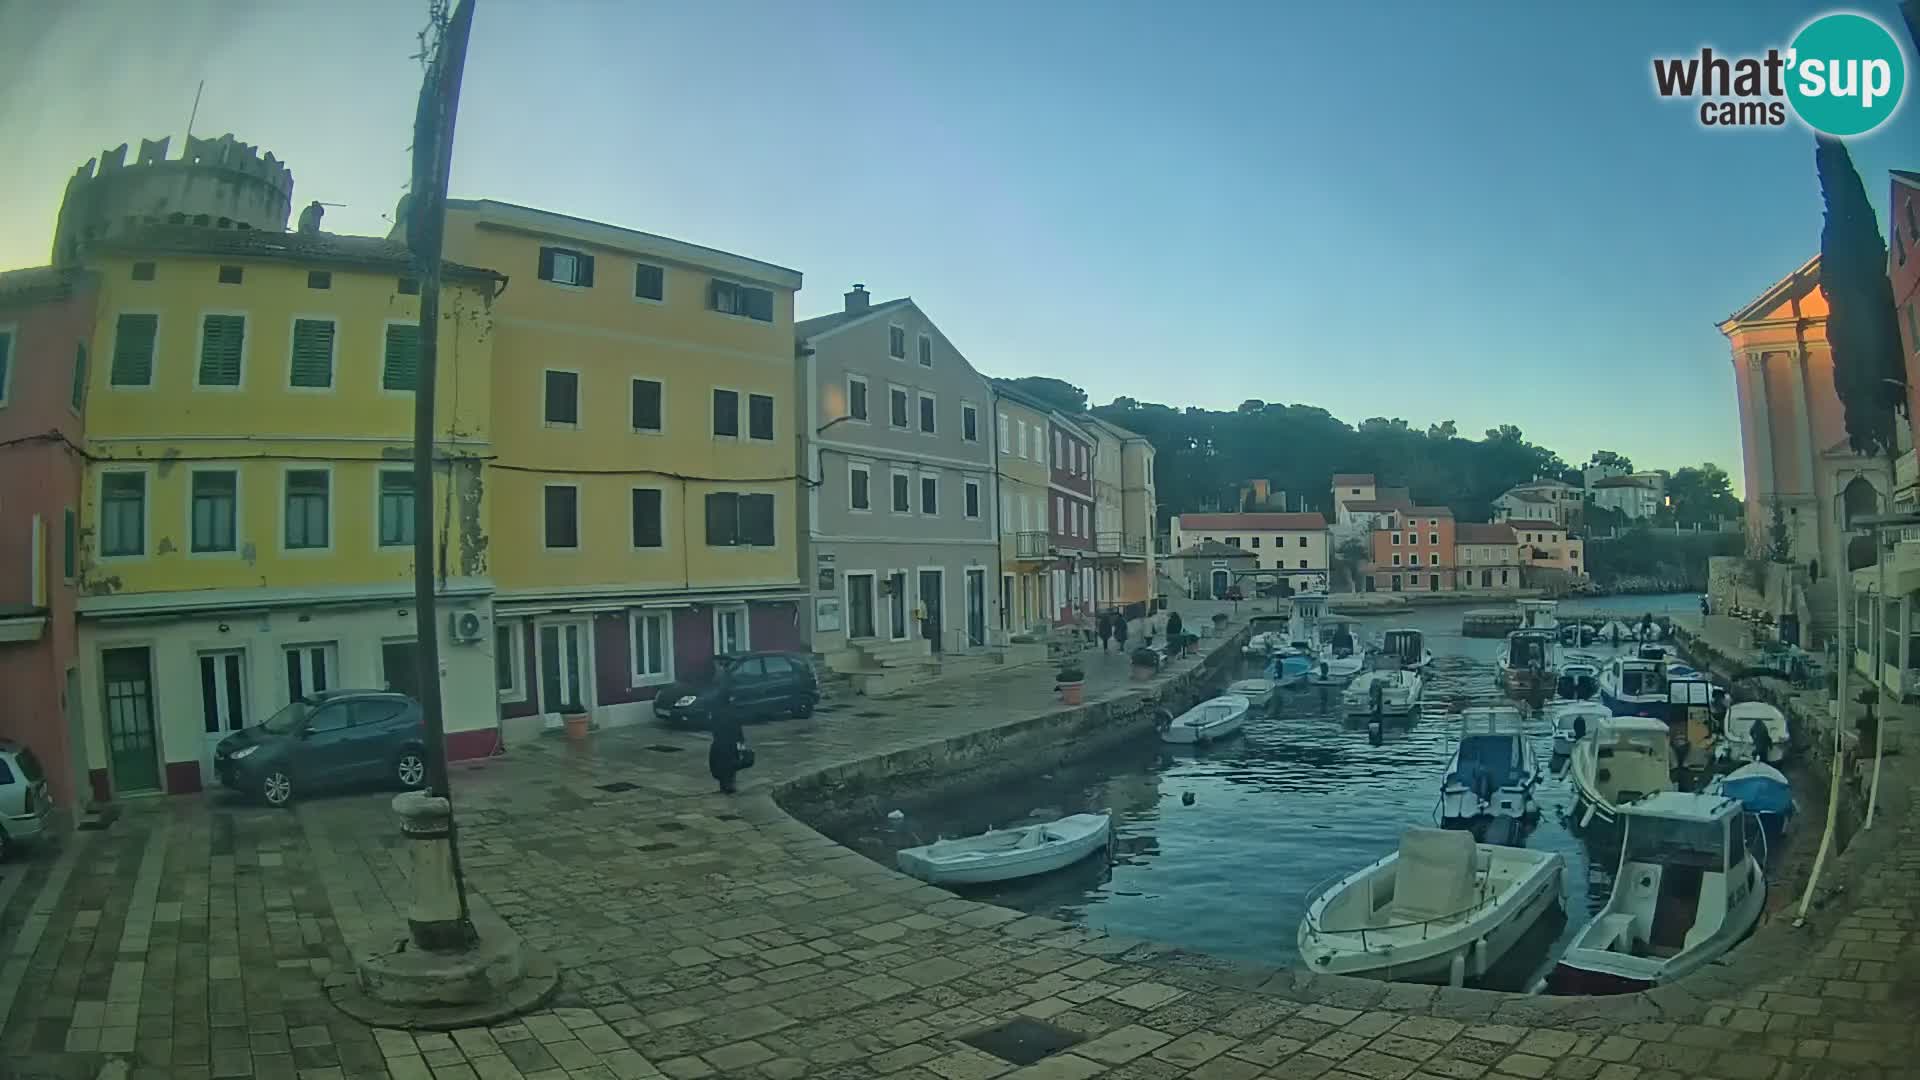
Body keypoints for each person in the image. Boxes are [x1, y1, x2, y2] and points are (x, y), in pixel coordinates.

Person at [708, 714, 748, 794]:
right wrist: (742, 750)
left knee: (723, 768)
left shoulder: (716, 715)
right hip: (729, 747)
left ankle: (726, 787)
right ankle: (728, 788)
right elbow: (740, 736)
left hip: (721, 747)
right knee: (730, 768)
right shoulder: (733, 715)